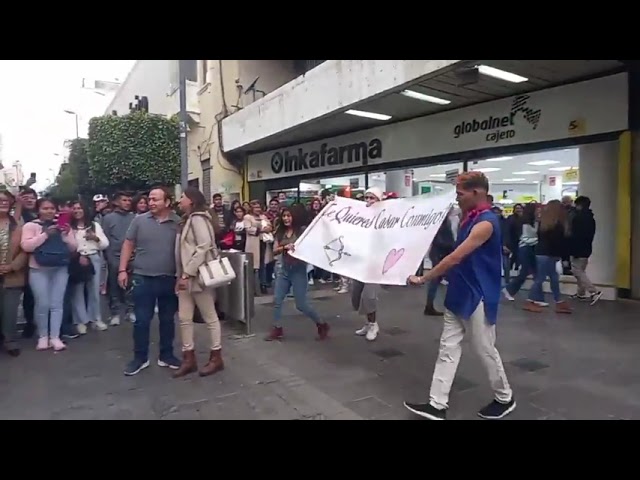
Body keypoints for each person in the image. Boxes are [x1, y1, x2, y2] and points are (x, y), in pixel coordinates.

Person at [404, 172, 515, 421]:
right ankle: (437, 404)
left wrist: (423, 278)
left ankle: (505, 397)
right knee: (447, 347)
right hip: (459, 291)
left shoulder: (486, 223)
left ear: (477, 192)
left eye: (460, 194)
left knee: (485, 348)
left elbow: (455, 257)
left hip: (479, 295)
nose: (458, 199)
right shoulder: (468, 219)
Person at [119, 187, 181, 376]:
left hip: (169, 278)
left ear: (167, 202)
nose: (151, 203)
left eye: (156, 199)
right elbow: (128, 243)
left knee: (167, 320)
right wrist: (122, 270)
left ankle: (166, 355)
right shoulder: (139, 220)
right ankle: (140, 358)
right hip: (142, 277)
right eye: (150, 199)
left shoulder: (177, 222)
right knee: (142, 320)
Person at [173, 187, 224, 378]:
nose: (179, 200)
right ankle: (189, 357)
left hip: (197, 277)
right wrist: (181, 276)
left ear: (192, 201)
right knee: (185, 318)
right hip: (186, 277)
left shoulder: (198, 219)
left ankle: (216, 356)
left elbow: (204, 247)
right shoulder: (187, 219)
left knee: (210, 316)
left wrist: (186, 273)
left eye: (183, 197)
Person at [21, 198, 78, 351]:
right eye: (45, 208)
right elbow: (26, 246)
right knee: (42, 303)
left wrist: (65, 234)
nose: (49, 211)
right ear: (38, 210)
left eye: (52, 208)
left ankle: (55, 337)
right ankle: (42, 336)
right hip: (38, 269)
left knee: (57, 303)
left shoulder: (63, 226)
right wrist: (45, 234)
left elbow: (73, 248)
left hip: (60, 268)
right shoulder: (31, 226)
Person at [264, 207, 329, 341]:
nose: (286, 219)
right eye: (284, 216)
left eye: (289, 216)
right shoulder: (280, 232)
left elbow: (312, 246)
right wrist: (284, 247)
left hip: (299, 270)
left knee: (301, 304)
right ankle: (277, 328)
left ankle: (321, 324)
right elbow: (275, 250)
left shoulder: (302, 231)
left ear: (294, 216)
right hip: (283, 269)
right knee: (277, 300)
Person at [523, 200, 572, 314]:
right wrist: (562, 257)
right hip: (550, 254)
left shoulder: (544, 223)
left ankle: (558, 301)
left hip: (542, 252)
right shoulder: (558, 225)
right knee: (542, 278)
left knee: (550, 277)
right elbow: (559, 242)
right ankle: (530, 300)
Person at [69, 201, 109, 333]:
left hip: (93, 258)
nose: (77, 211)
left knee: (94, 290)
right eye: (74, 208)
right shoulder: (69, 227)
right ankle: (80, 321)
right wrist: (77, 255)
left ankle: (95, 318)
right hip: (77, 259)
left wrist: (95, 238)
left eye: (79, 208)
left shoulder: (94, 225)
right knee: (77, 291)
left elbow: (105, 244)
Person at [352, 187, 384, 341]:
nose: (369, 201)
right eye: (367, 198)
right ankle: (368, 322)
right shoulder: (360, 216)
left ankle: (373, 324)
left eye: (372, 198)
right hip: (360, 262)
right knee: (356, 297)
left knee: (369, 297)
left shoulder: (386, 218)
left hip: (375, 263)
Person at [0, 190, 28, 356]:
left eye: (5, 201)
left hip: (12, 275)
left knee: (10, 311)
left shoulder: (18, 225)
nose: (3, 203)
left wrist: (12, 266)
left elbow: (24, 250)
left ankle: (10, 341)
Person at [102, 192, 135, 325]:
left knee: (131, 285)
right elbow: (106, 238)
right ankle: (115, 313)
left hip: (132, 257)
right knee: (114, 286)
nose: (127, 203)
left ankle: (130, 310)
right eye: (124, 200)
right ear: (116, 202)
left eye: (129, 200)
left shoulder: (135, 217)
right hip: (114, 256)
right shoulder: (108, 218)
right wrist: (109, 258)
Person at [14, 188, 38, 339]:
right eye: (26, 198)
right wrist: (17, 206)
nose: (29, 200)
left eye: (32, 198)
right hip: (16, 261)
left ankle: (31, 324)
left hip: (34, 262)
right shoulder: (16, 215)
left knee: (31, 296)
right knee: (12, 296)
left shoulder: (40, 215)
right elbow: (13, 226)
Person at [569, 196, 601, 305]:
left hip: (578, 249)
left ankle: (593, 291)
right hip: (587, 248)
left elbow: (575, 235)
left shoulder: (578, 218)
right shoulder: (591, 218)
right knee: (580, 271)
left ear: (579, 205)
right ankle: (580, 293)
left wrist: (572, 249)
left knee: (576, 270)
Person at [502, 203, 538, 301]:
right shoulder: (523, 222)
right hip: (524, 247)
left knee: (534, 272)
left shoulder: (531, 221)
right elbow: (510, 232)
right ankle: (509, 289)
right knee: (526, 271)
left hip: (527, 247)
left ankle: (536, 297)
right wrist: (506, 244)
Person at [423, 216, 455, 316]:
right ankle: (430, 305)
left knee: (437, 280)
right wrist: (452, 245)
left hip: (440, 253)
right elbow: (441, 239)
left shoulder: (443, 221)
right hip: (440, 253)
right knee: (436, 279)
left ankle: (430, 305)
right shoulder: (442, 222)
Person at [243, 200, 274, 295]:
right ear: (251, 208)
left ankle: (263, 285)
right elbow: (248, 229)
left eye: (259, 207)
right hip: (253, 245)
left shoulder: (263, 217)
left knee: (262, 265)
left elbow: (269, 226)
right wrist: (261, 229)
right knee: (253, 267)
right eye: (255, 207)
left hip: (263, 243)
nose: (258, 209)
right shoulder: (247, 217)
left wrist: (268, 228)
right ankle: (253, 288)